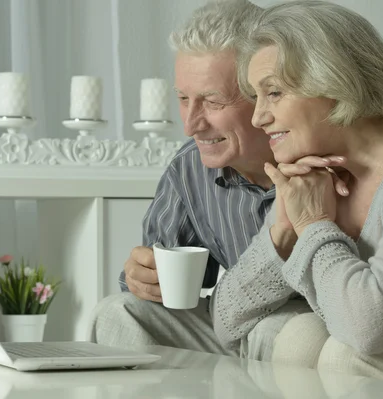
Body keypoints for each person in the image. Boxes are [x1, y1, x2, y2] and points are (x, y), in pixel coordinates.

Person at [221, 0, 383, 391]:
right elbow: (227, 320)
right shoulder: (315, 169)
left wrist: (314, 225)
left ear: (333, 82)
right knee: (298, 336)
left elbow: (369, 327)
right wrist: (285, 231)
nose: (258, 118)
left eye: (273, 93)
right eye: (256, 97)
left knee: (347, 355)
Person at [88, 0, 347, 361]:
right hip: (231, 323)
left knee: (287, 330)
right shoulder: (190, 168)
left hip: (310, 326)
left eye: (213, 101)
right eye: (182, 99)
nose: (191, 124)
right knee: (118, 311)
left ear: (265, 93)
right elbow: (174, 280)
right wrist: (141, 275)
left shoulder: (327, 158)